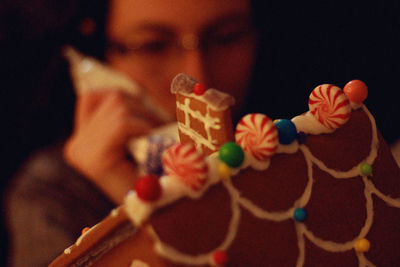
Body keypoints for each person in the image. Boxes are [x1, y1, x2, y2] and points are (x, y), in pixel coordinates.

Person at [4, 0, 262, 266]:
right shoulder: (55, 194)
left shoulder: (289, 143)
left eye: (226, 37)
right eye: (153, 46)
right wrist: (132, 191)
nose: (197, 77)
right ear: (99, 54)